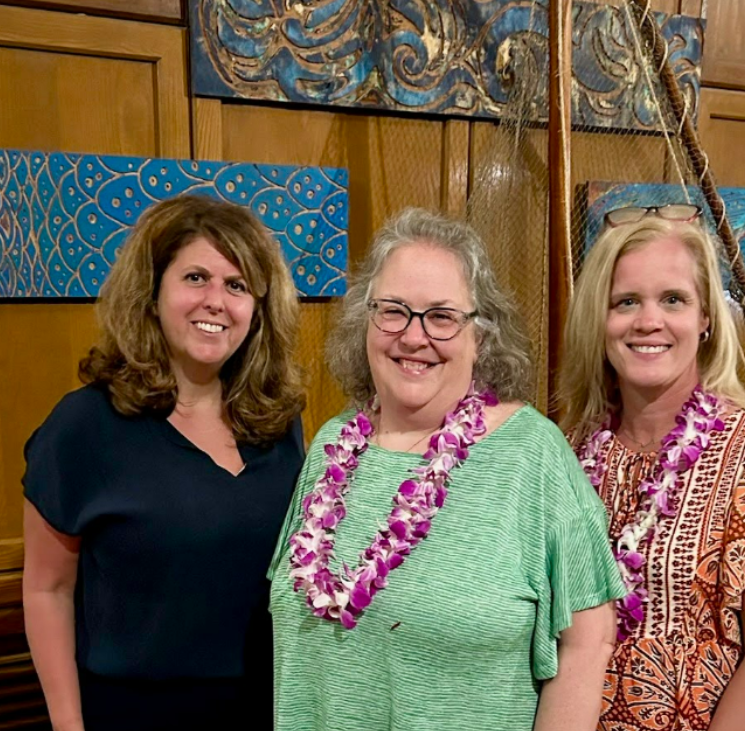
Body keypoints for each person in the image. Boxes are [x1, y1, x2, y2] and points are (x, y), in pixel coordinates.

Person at [268, 208, 626, 731]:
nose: (413, 337)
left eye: (441, 317)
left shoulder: (534, 456)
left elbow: (587, 642)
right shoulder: (330, 445)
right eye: (392, 311)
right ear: (365, 323)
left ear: (480, 336)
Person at [21, 195, 306, 731]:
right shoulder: (84, 427)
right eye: (196, 278)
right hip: (135, 710)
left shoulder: (279, 422)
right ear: (152, 295)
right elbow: (47, 590)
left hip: (272, 705)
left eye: (237, 285)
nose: (216, 301)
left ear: (258, 310)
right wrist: (66, 725)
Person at [559, 206, 745, 731]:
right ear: (599, 320)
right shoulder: (571, 451)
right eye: (625, 302)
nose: (648, 321)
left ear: (706, 317)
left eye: (673, 299)